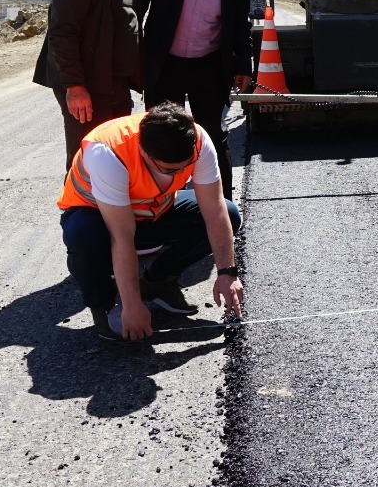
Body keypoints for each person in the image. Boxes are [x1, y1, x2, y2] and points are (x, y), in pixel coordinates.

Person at [59, 102, 244, 341]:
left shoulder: (196, 140)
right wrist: (131, 305)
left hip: (153, 211)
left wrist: (227, 273)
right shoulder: (107, 153)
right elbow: (122, 235)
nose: (179, 175)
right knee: (82, 235)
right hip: (99, 217)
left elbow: (215, 210)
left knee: (230, 213)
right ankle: (103, 304)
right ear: (144, 152)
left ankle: (157, 282)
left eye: (185, 167)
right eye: (169, 170)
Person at [134, 0, 254, 198]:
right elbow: (134, 8)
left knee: (213, 136)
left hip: (209, 66)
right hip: (166, 65)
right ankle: (159, 204)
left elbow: (240, 25)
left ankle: (223, 209)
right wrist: (131, 54)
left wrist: (244, 65)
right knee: (161, 136)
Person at [33, 0, 162, 170]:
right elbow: (63, 31)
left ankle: (108, 212)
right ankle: (78, 211)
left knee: (115, 159)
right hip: (89, 87)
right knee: (88, 162)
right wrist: (75, 86)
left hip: (114, 83)